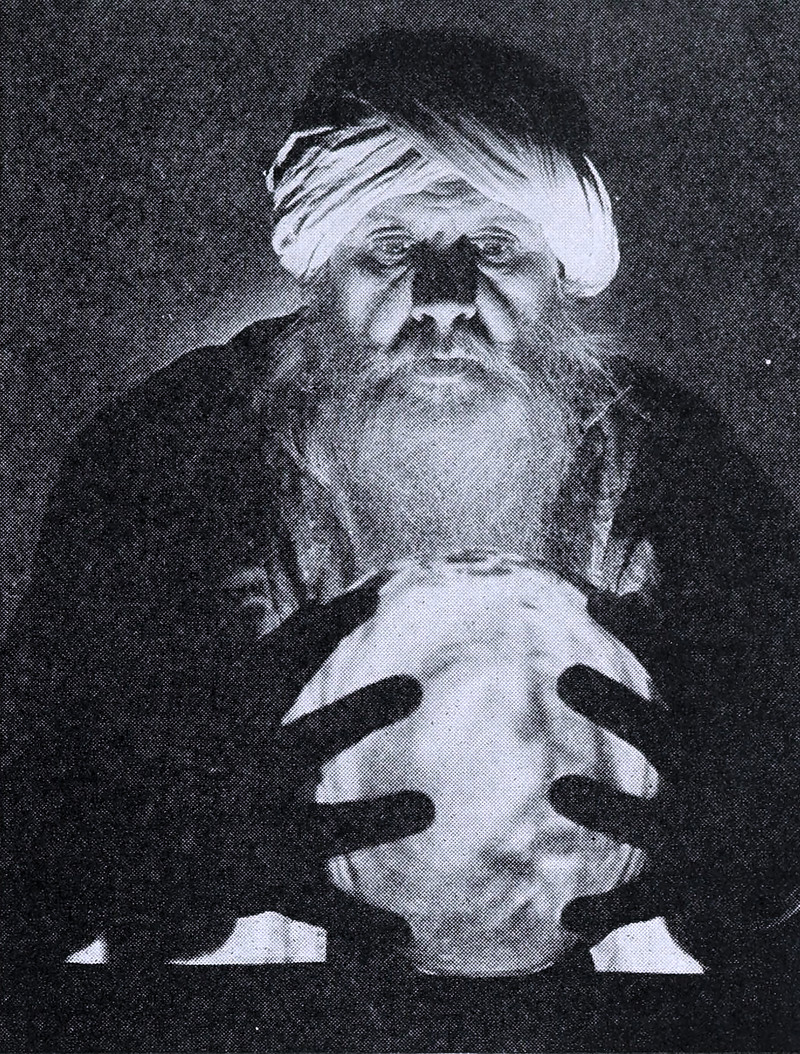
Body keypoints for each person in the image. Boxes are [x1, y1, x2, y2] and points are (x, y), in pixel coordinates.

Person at [2, 30, 798, 975]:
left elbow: (766, 850)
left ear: (559, 269)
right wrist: (150, 849)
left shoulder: (669, 462)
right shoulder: (169, 453)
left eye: (494, 247)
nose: (444, 299)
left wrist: (755, 873)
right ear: (320, 267)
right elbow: (31, 862)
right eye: (390, 247)